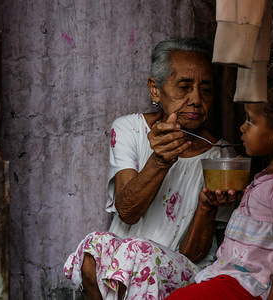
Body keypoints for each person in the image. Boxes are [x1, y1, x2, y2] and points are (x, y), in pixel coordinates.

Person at [63, 37, 237, 300]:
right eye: (184, 87)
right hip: (124, 262)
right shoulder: (129, 130)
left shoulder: (222, 157)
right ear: (155, 90)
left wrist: (207, 206)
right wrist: (159, 160)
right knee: (93, 246)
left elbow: (193, 254)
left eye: (205, 90)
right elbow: (127, 212)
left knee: (140, 252)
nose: (196, 100)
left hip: (183, 268)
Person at [166, 69, 273, 300]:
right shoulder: (269, 176)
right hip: (233, 279)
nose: (242, 127)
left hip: (253, 288)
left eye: (251, 121)